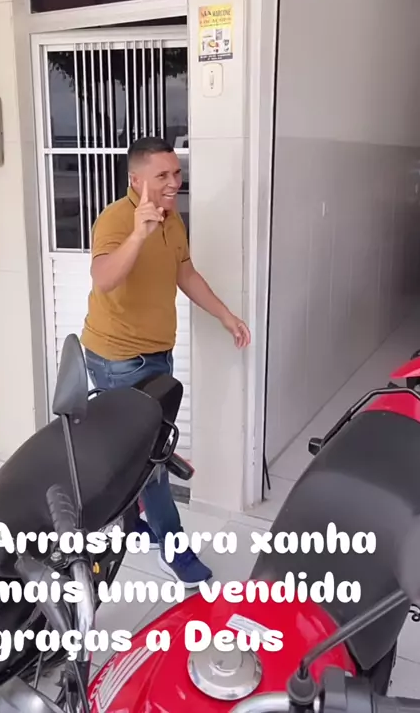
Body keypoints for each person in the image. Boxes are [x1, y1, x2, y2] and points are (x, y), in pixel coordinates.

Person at [81, 136, 251, 586]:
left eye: (176, 172)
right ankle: (172, 548)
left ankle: (131, 523)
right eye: (163, 175)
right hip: (118, 360)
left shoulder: (172, 220)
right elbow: (103, 279)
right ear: (136, 180)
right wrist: (138, 234)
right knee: (153, 457)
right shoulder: (116, 219)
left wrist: (226, 316)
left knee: (137, 452)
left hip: (156, 356)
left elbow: (185, 272)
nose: (175, 181)